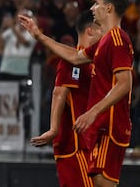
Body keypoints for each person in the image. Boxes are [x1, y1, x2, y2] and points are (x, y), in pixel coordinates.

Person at [19, 0, 133, 187]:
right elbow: (76, 57)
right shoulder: (105, 42)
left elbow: (125, 84)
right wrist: (39, 36)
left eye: (96, 3)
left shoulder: (116, 38)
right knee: (97, 181)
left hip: (111, 124)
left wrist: (92, 112)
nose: (92, 7)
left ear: (109, 8)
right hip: (99, 127)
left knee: (100, 182)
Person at [31, 10, 101, 187]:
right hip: (75, 146)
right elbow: (59, 92)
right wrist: (54, 129)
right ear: (91, 30)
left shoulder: (91, 62)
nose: (106, 34)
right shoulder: (70, 60)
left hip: (88, 145)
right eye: (103, 29)